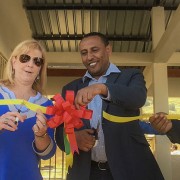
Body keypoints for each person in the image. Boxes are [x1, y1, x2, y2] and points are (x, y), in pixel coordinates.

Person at [55, 32, 164, 180]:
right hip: (86, 173)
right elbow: (60, 135)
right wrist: (73, 139)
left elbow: (137, 97)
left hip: (130, 170)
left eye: (95, 50)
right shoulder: (70, 89)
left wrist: (102, 88)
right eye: (84, 53)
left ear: (108, 50)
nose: (89, 57)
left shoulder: (131, 76)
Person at [0, 40, 56, 180]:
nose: (30, 64)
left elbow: (47, 154)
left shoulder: (47, 105)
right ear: (14, 62)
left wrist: (41, 135)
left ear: (40, 69)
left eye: (37, 61)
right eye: (25, 58)